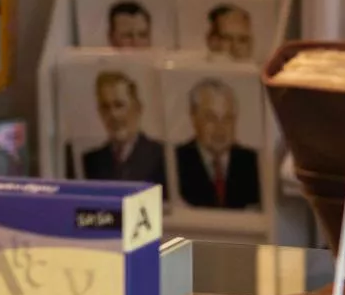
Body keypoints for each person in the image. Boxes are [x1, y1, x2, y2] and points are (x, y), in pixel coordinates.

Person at [174, 79, 261, 210]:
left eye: (227, 119)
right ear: (194, 118)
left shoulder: (254, 163)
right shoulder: (173, 161)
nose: (220, 129)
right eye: (211, 118)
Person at [81, 70, 165, 184]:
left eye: (119, 105)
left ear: (138, 108)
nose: (113, 115)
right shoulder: (89, 162)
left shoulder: (162, 157)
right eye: (105, 107)